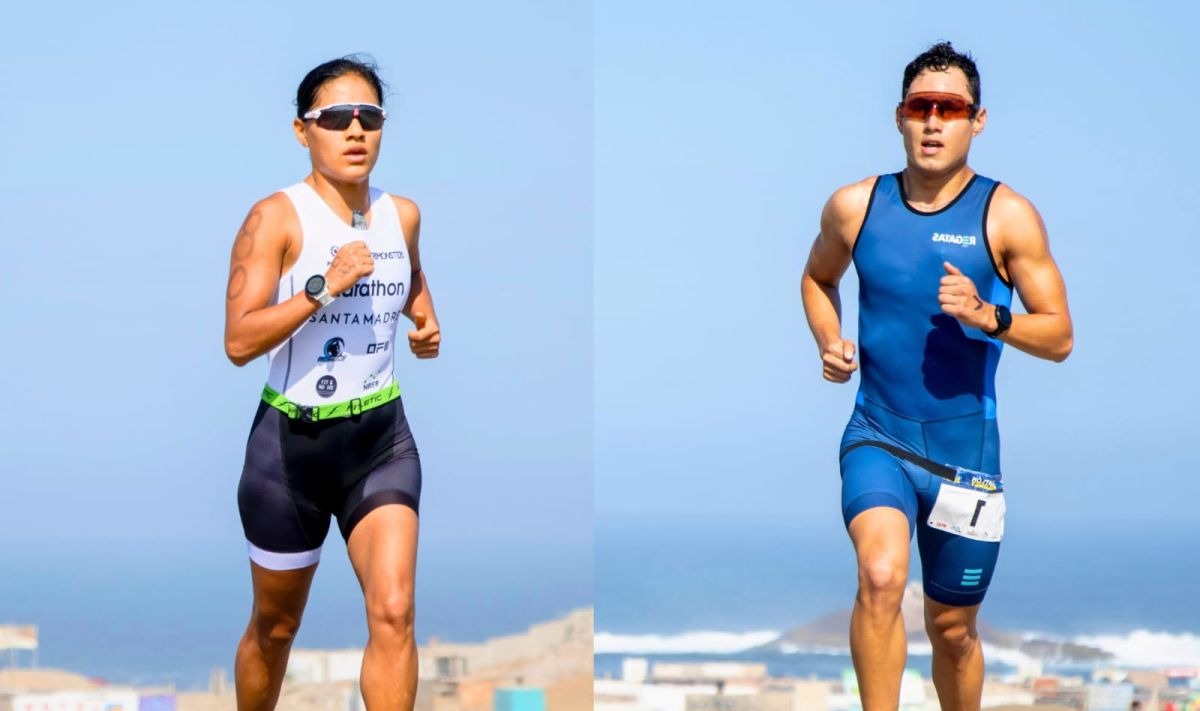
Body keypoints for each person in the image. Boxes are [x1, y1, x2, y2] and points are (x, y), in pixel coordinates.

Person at [801, 42, 1073, 711]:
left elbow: (1060, 336)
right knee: (880, 577)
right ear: (899, 116)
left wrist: (989, 316)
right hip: (879, 435)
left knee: (952, 631)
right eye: (920, 107)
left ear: (977, 121)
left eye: (949, 109)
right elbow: (817, 279)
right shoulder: (855, 206)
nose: (932, 122)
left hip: (965, 458)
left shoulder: (1006, 216)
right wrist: (829, 340)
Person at [223, 56, 441, 710]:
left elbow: (411, 278)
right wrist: (323, 287)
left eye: (369, 117)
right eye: (336, 117)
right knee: (275, 628)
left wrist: (426, 322)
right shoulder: (275, 218)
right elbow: (239, 342)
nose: (355, 130)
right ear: (302, 130)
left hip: (380, 441)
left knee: (395, 610)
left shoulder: (402, 214)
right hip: (289, 453)